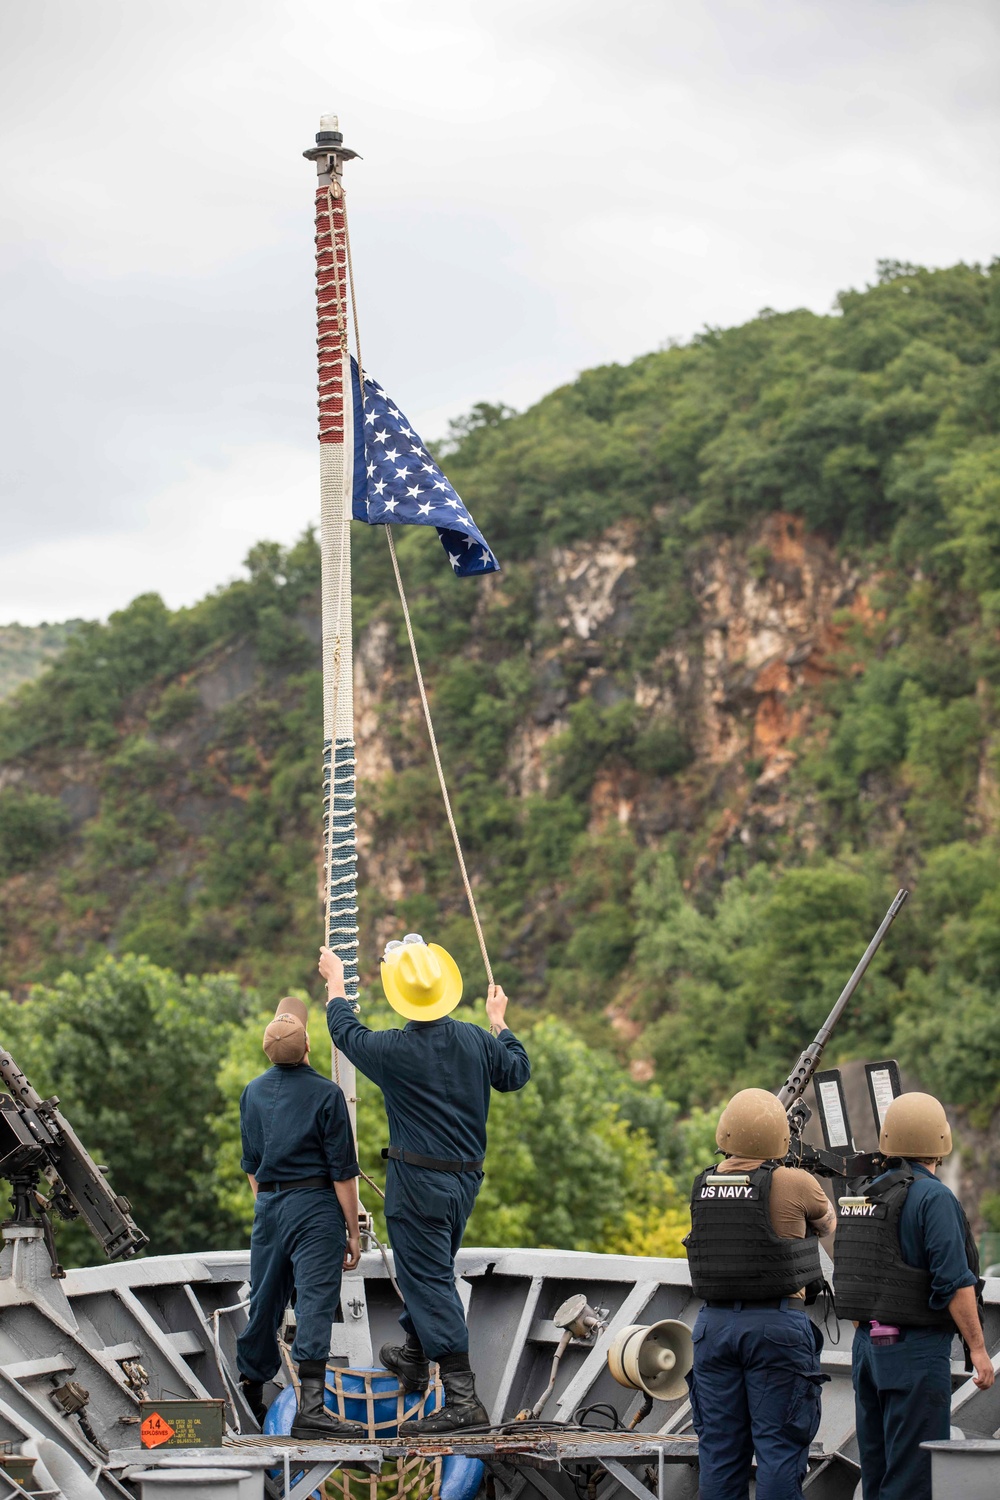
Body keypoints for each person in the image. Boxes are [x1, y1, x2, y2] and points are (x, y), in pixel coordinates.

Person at [320, 935, 530, 1435]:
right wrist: (499, 1018)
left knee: (429, 1280)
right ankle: (414, 1356)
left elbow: (344, 1031)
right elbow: (516, 1073)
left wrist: (335, 984)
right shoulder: (479, 1039)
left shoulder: (394, 1051)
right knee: (426, 1271)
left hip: (418, 1187)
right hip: (464, 1186)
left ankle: (463, 1399)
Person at [834, 1090, 993, 1500]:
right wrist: (977, 1349)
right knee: (914, 1479)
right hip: (914, 1353)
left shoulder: (865, 1191)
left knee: (879, 1471)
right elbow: (955, 1283)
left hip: (867, 1350)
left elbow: (855, 1272)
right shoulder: (934, 1197)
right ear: (940, 1141)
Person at [683, 1087, 835, 1500]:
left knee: (718, 1452)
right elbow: (827, 1226)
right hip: (776, 1327)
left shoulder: (702, 1185)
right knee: (779, 1450)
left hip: (713, 1329)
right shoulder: (796, 1181)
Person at [235, 996, 365, 1440]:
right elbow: (343, 1174)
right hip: (315, 1209)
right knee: (313, 1302)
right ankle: (311, 1409)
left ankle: (250, 1390)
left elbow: (251, 1166)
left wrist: (270, 1203)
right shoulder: (327, 1094)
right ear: (308, 1045)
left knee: (265, 1299)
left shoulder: (251, 1092)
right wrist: (352, 1232)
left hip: (269, 1207)